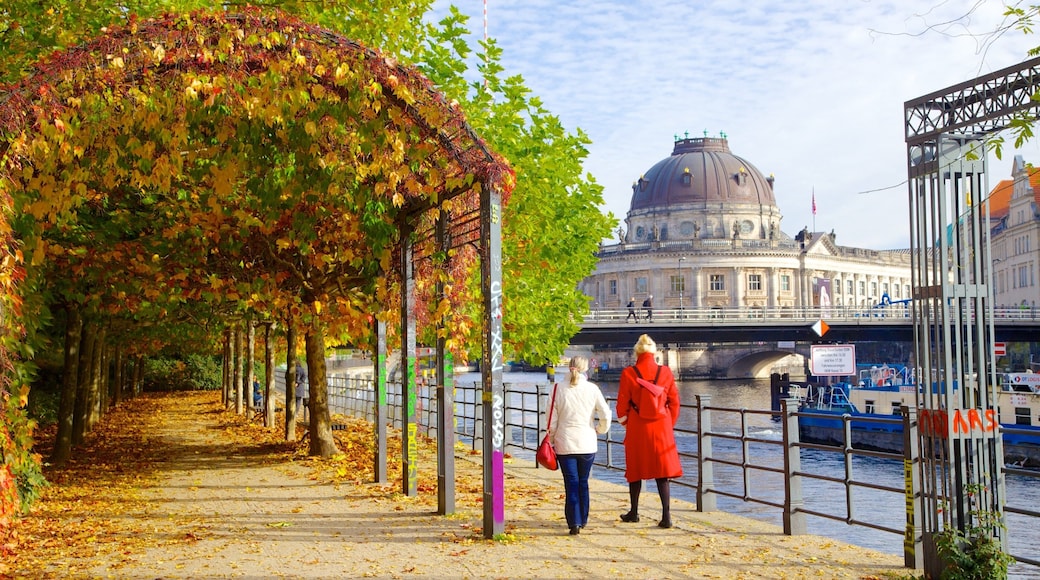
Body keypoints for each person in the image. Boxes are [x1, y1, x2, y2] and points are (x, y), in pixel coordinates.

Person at [616, 334, 682, 528]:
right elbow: (674, 402)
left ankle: (634, 512)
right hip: (662, 426)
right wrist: (668, 423)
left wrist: (627, 423)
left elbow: (621, 405)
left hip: (638, 426)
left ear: (637, 352)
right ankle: (666, 516)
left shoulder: (629, 373)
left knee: (635, 470)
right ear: (654, 352)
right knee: (662, 472)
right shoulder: (666, 372)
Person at [548, 356, 611, 536]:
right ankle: (583, 518)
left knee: (571, 483)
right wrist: (600, 429)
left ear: (569, 367)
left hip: (565, 442)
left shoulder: (557, 389)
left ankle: (574, 521)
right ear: (585, 369)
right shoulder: (592, 389)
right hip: (587, 442)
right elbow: (606, 413)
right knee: (583, 481)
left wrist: (551, 440)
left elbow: (551, 420)